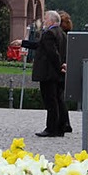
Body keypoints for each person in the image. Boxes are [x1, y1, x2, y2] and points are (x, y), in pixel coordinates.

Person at [22, 9, 67, 137]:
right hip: (57, 74)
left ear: (52, 20)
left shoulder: (49, 34)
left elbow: (53, 53)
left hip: (48, 73)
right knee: (57, 100)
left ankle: (51, 128)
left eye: (45, 19)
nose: (43, 21)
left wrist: (58, 66)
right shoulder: (61, 33)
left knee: (50, 101)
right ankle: (59, 127)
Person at [58, 10, 73, 133]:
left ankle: (64, 123)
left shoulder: (60, 35)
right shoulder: (69, 35)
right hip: (65, 67)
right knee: (61, 97)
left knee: (59, 97)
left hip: (61, 68)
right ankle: (65, 122)